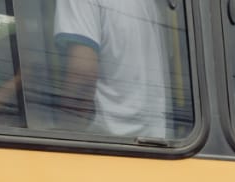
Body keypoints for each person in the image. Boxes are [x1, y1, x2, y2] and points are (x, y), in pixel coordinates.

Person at [54, 0, 172, 137]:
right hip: (154, 144)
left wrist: (63, 133)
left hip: (105, 144)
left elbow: (83, 75)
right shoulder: (148, 4)